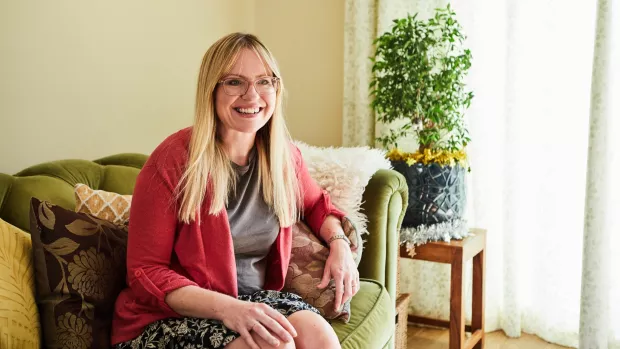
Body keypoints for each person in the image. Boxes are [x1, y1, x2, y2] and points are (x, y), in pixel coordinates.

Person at [111, 33, 359, 349]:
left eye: (264, 81)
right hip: (168, 317)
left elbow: (315, 205)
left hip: (251, 301)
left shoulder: (282, 156)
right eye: (234, 82)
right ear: (211, 89)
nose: (251, 95)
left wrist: (339, 244)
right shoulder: (173, 160)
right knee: (273, 346)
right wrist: (229, 309)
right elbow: (146, 272)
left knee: (320, 335)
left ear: (276, 89)